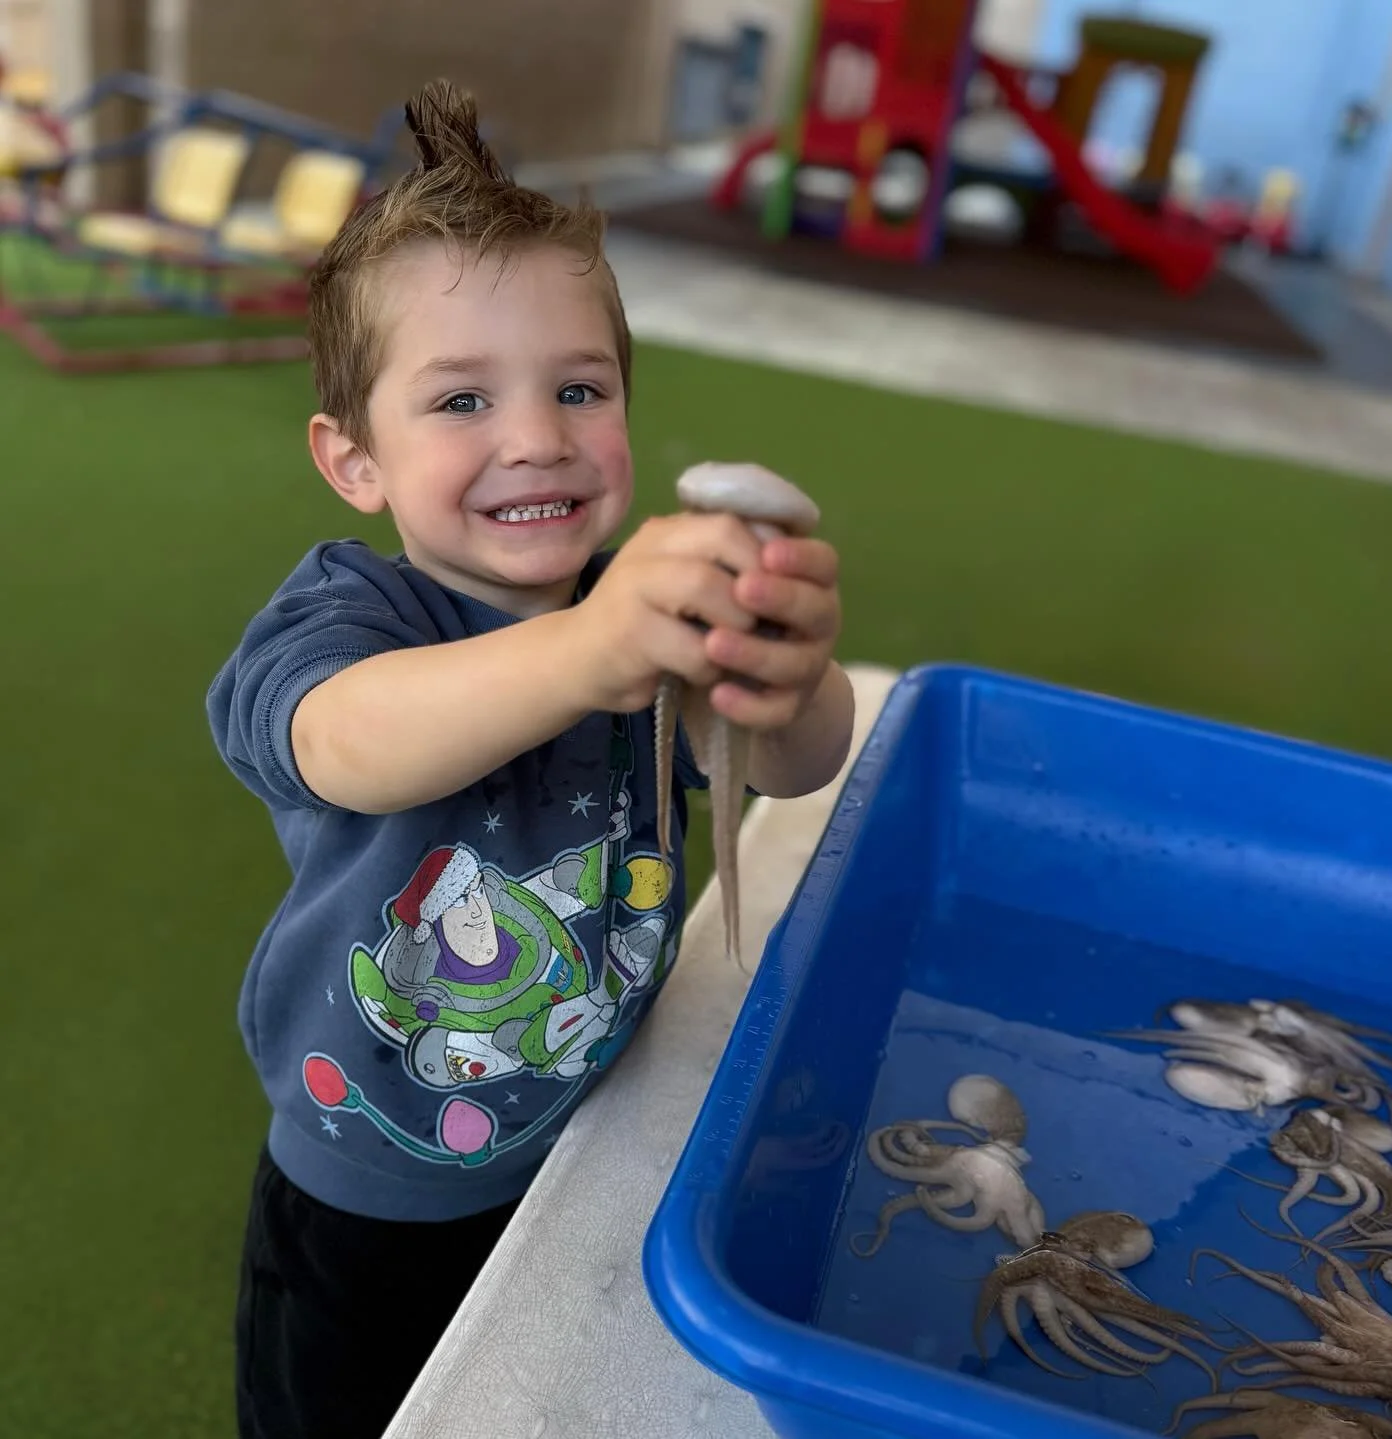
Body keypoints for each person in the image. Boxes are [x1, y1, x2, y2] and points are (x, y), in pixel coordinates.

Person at [206, 77, 854, 1439]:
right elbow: (344, 741)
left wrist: (789, 678)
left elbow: (794, 765)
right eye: (461, 398)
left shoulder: (638, 613)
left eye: (579, 388)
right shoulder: (348, 617)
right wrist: (592, 651)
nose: (538, 437)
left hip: (579, 1131)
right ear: (355, 460)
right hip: (365, 1184)